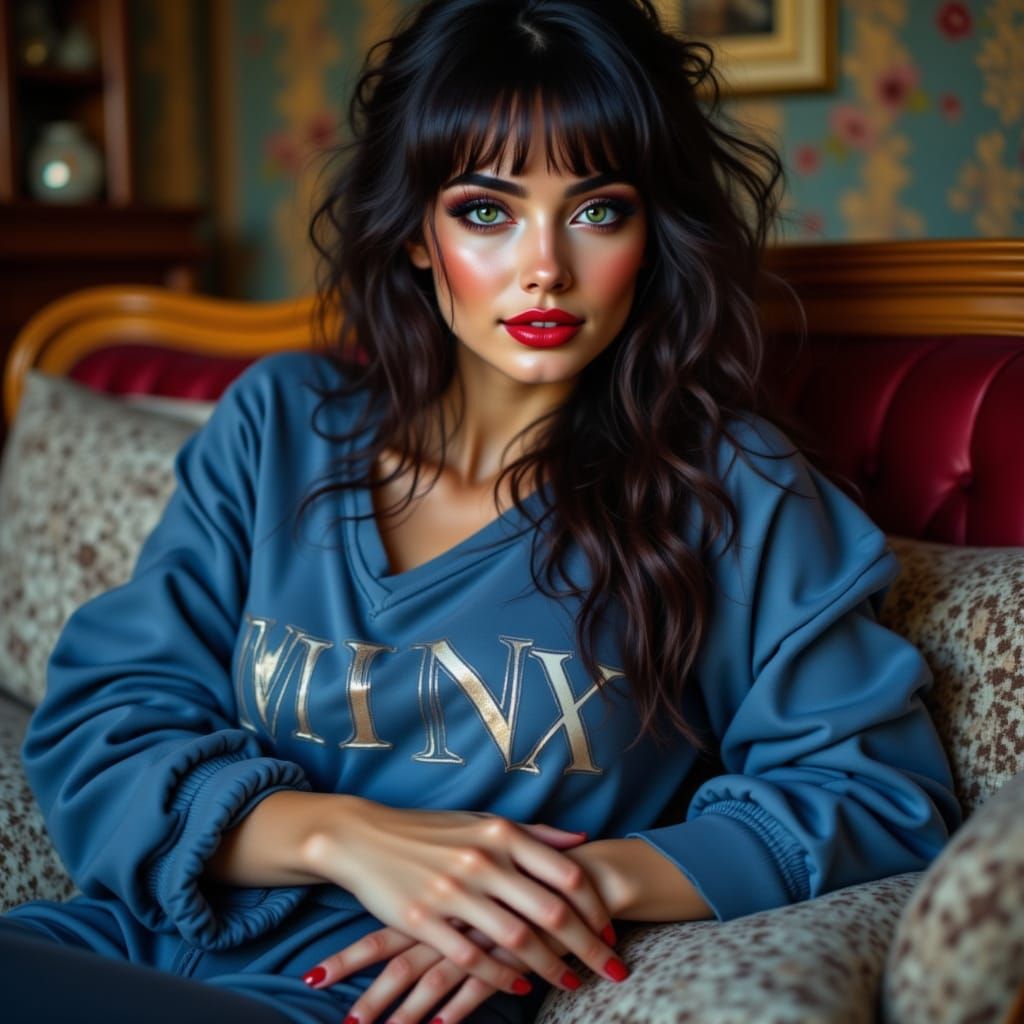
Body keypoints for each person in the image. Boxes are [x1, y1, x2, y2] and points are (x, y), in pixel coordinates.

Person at [1, 1, 961, 1023]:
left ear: (651, 234)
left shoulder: (728, 490)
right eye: (486, 210)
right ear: (416, 233)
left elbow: (873, 795)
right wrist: (337, 833)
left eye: (597, 210)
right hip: (138, 934)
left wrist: (587, 884)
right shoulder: (278, 427)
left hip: (382, 996)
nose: (544, 264)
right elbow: (106, 721)